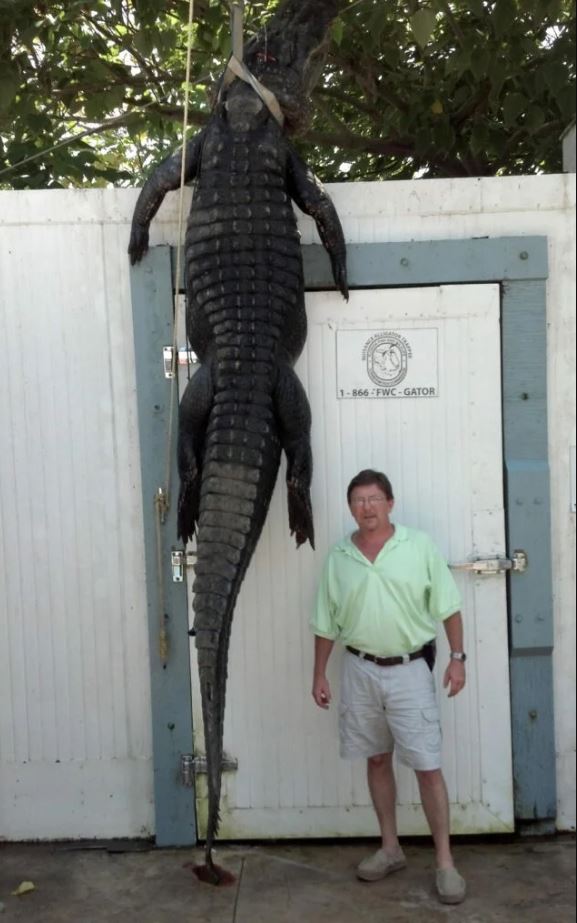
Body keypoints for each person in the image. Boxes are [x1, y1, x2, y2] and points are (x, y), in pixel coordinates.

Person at [311, 469, 467, 905]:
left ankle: (444, 863)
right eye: (359, 500)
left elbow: (449, 606)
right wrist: (319, 672)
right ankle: (390, 848)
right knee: (377, 759)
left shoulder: (417, 546)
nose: (367, 507)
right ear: (350, 507)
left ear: (390, 503)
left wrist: (457, 658)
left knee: (427, 765)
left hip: (410, 670)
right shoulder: (340, 556)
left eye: (375, 498)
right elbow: (326, 622)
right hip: (360, 670)